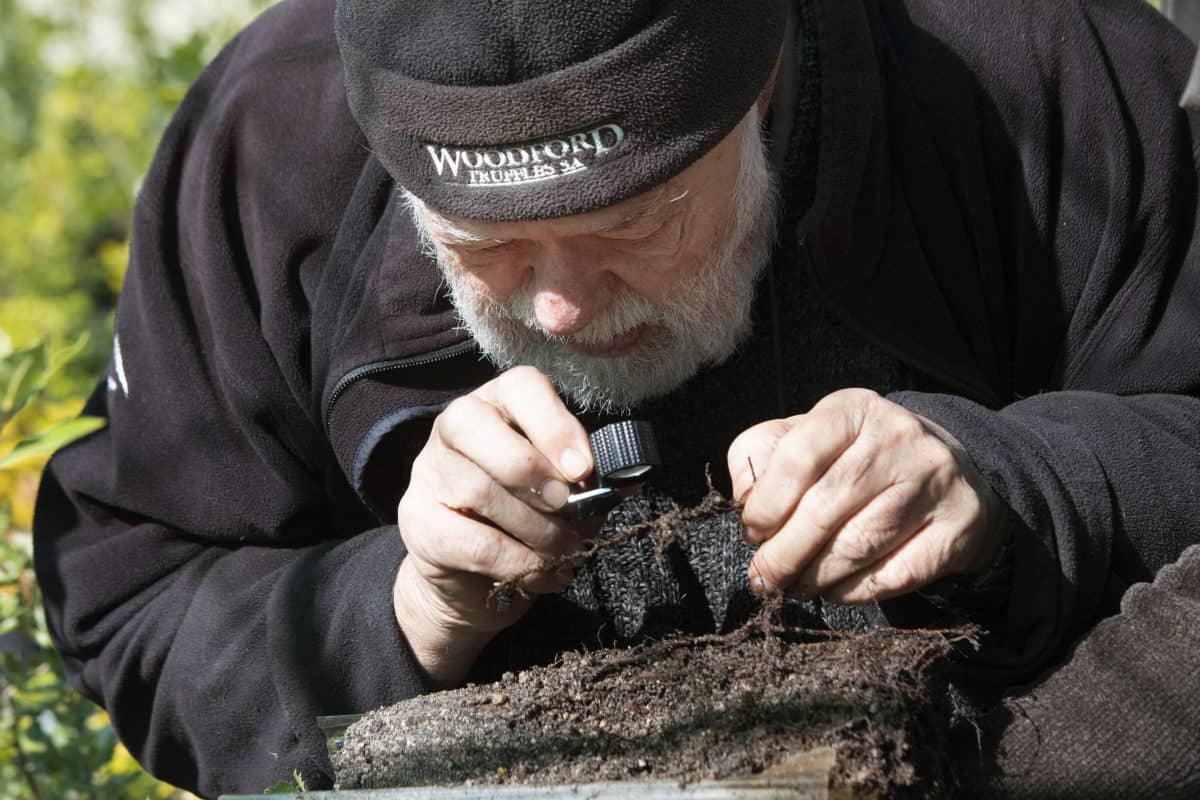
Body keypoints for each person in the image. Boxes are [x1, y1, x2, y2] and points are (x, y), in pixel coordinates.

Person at [32, 0, 1200, 795]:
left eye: (635, 221)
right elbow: (132, 587)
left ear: (768, 84)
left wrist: (1010, 481)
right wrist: (401, 605)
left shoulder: (1033, 73)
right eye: (480, 244)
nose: (560, 309)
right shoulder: (272, 146)